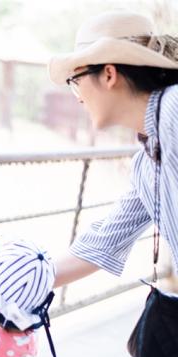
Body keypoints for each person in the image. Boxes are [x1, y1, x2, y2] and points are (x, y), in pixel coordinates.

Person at [46, 10, 178, 287]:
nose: (79, 98)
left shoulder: (173, 110)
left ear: (108, 74)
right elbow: (102, 243)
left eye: (76, 81)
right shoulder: (147, 163)